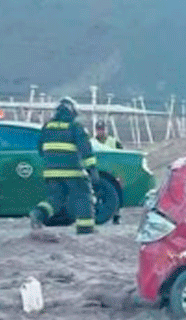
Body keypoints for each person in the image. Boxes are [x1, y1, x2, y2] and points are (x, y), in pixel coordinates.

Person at [29, 97, 98, 234]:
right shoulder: (75, 127)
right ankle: (85, 228)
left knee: (55, 200)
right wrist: (92, 170)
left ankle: (38, 213)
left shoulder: (47, 127)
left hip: (51, 173)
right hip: (72, 172)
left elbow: (40, 150)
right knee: (82, 196)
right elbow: (85, 150)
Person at [93, 120, 122, 224]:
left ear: (106, 129)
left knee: (116, 191)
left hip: (113, 171)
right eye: (99, 129)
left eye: (103, 129)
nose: (101, 132)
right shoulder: (92, 142)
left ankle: (117, 214)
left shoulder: (114, 142)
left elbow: (121, 156)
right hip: (99, 172)